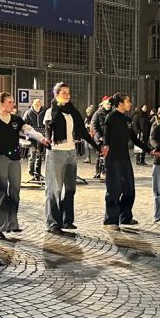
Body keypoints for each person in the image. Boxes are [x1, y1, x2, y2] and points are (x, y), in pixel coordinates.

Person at [0, 92, 49, 241]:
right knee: (0, 193)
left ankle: (12, 223)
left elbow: (29, 130)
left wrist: (42, 138)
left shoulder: (16, 119)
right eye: (9, 102)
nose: (12, 104)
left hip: (14, 159)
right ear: (1, 104)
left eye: (12, 101)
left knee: (15, 191)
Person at [43, 82, 101, 234]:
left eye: (68, 93)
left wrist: (97, 147)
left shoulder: (72, 112)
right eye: (63, 93)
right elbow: (48, 131)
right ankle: (53, 223)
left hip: (71, 152)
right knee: (54, 189)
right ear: (56, 95)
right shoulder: (50, 112)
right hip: (56, 153)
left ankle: (66, 220)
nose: (67, 95)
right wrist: (47, 141)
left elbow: (83, 132)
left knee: (70, 188)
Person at [101, 93, 155, 228]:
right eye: (127, 101)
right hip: (113, 158)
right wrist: (105, 145)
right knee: (114, 189)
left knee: (129, 189)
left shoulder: (126, 119)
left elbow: (134, 139)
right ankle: (111, 220)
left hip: (124, 158)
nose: (130, 104)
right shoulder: (111, 117)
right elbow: (106, 134)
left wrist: (149, 150)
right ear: (120, 103)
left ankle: (125, 217)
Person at [23, 98, 47, 181]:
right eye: (36, 104)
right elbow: (24, 125)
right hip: (32, 137)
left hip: (41, 136)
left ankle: (37, 173)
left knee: (39, 155)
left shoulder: (44, 112)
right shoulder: (28, 113)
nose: (37, 105)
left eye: (39, 104)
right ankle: (31, 172)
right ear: (33, 104)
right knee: (32, 154)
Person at [89, 96, 111, 179]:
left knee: (108, 155)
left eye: (110, 104)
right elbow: (94, 125)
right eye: (107, 104)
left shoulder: (111, 113)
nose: (109, 105)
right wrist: (100, 136)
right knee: (99, 155)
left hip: (108, 138)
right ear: (103, 104)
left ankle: (106, 171)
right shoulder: (97, 113)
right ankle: (97, 171)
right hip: (100, 139)